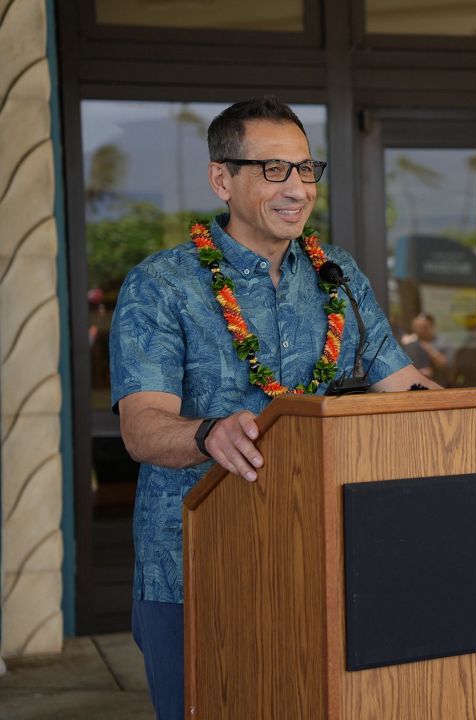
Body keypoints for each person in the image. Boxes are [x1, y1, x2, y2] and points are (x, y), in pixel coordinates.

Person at [109, 96, 438, 720]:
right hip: (195, 567)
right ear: (221, 179)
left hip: (322, 556)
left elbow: (403, 385)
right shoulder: (162, 284)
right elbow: (141, 427)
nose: (297, 188)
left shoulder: (337, 273)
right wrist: (208, 433)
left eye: (305, 169)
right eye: (272, 170)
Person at [400, 312, 453, 385]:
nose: (420, 330)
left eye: (424, 327)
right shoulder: (409, 343)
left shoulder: (442, 342)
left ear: (432, 326)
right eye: (417, 327)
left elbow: (444, 364)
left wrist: (427, 348)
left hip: (438, 384)